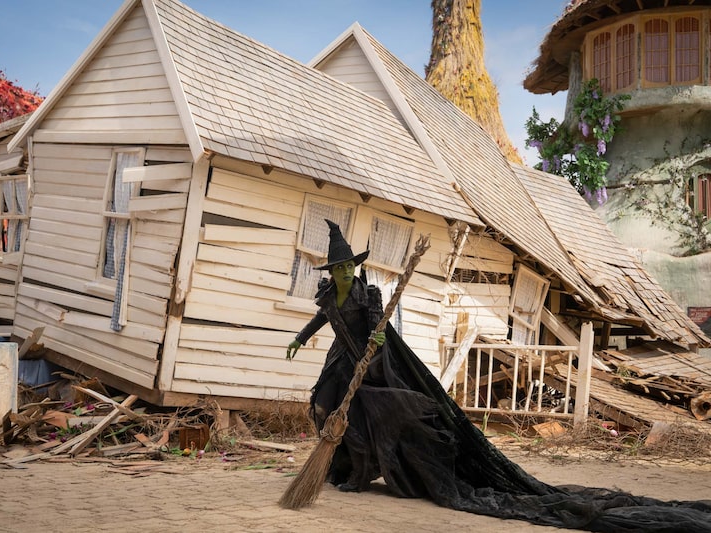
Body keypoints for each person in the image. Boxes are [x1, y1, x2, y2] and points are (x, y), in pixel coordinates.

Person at [286, 219, 711, 532]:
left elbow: (379, 324)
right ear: (331, 272)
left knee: (368, 416)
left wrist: (377, 342)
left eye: (348, 268)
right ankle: (335, 466)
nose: (344, 273)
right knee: (323, 405)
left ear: (354, 268)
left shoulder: (369, 292)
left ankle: (357, 474)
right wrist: (300, 339)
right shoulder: (328, 294)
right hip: (342, 358)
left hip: (374, 361)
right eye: (338, 269)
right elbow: (321, 321)